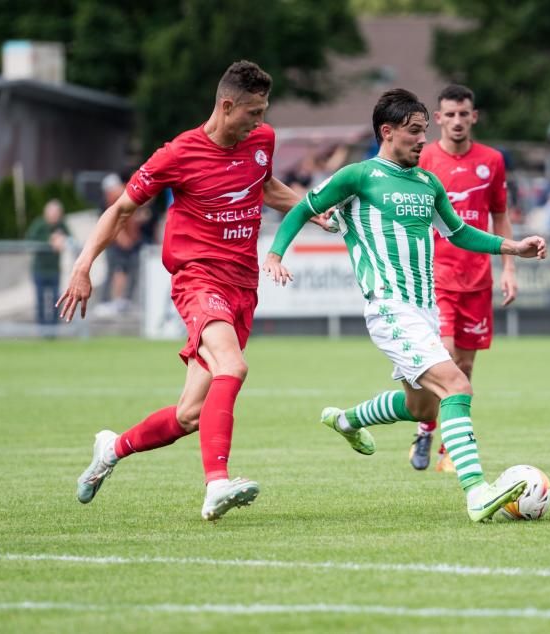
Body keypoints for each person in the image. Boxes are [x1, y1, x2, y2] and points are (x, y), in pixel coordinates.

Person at [262, 88, 548, 523]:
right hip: (390, 308)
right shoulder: (358, 176)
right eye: (415, 132)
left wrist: (514, 248)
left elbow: (460, 233)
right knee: (457, 385)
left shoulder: (427, 182)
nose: (422, 141)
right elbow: (305, 208)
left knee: (422, 407)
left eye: (424, 132)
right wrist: (276, 253)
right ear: (387, 132)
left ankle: (346, 421)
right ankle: (476, 493)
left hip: (425, 310)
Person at [59, 60, 329, 521]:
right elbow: (121, 210)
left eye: (264, 112)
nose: (260, 122)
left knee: (189, 415)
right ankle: (216, 485)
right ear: (226, 106)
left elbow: (264, 187)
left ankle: (112, 448)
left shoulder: (261, 141)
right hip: (198, 279)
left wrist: (312, 209)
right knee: (233, 365)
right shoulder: (178, 154)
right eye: (253, 113)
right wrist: (84, 266)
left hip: (244, 286)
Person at [406, 84, 516, 472]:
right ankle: (429, 430)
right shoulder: (424, 160)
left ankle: (442, 445)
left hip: (478, 279)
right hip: (436, 278)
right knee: (446, 359)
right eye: (449, 114)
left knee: (466, 368)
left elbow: (499, 214)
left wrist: (510, 270)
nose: (456, 121)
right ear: (438, 119)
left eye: (463, 114)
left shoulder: (492, 160)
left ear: (474, 116)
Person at [97, 173, 148, 315]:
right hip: (115, 244)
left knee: (130, 270)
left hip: (129, 242)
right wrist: (122, 238)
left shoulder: (123, 196)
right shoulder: (110, 201)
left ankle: (123, 300)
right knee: (116, 271)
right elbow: (112, 222)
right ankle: (109, 301)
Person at [25, 199, 71, 334]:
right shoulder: (39, 224)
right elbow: (30, 240)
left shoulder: (61, 226)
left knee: (56, 301)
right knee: (40, 301)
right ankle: (41, 329)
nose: (54, 216)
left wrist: (62, 240)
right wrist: (49, 240)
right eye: (52, 212)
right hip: (39, 270)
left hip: (54, 270)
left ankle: (54, 329)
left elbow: (70, 239)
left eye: (57, 213)